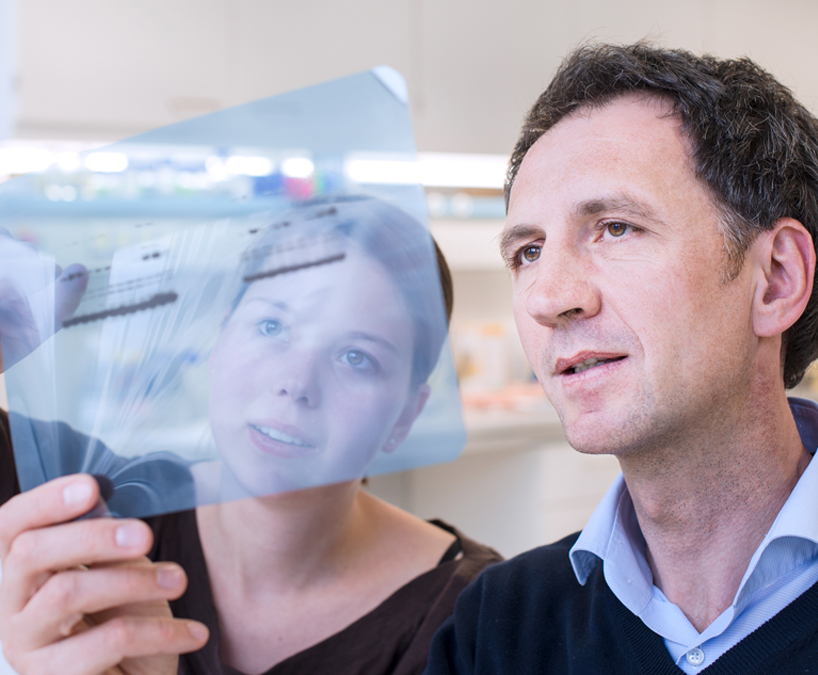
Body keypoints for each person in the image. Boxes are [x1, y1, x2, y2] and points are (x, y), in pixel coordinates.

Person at [425, 43, 818, 674]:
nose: (547, 298)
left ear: (777, 279)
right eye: (528, 252)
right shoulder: (499, 628)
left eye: (616, 227)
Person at [0, 195, 501, 675]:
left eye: (356, 357)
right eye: (271, 326)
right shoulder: (80, 507)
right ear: (221, 340)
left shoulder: (477, 620)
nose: (296, 382)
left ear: (405, 417)